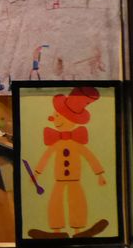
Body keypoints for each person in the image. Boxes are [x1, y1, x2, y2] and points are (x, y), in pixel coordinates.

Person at [29, 87, 108, 239]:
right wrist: (36, 174)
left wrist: (99, 174)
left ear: (70, 120)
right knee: (55, 202)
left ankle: (78, 231)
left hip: (75, 180)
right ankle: (57, 231)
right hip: (59, 180)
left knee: (78, 203)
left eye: (56, 115)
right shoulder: (56, 144)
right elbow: (45, 158)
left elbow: (90, 157)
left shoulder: (77, 144)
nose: (52, 118)